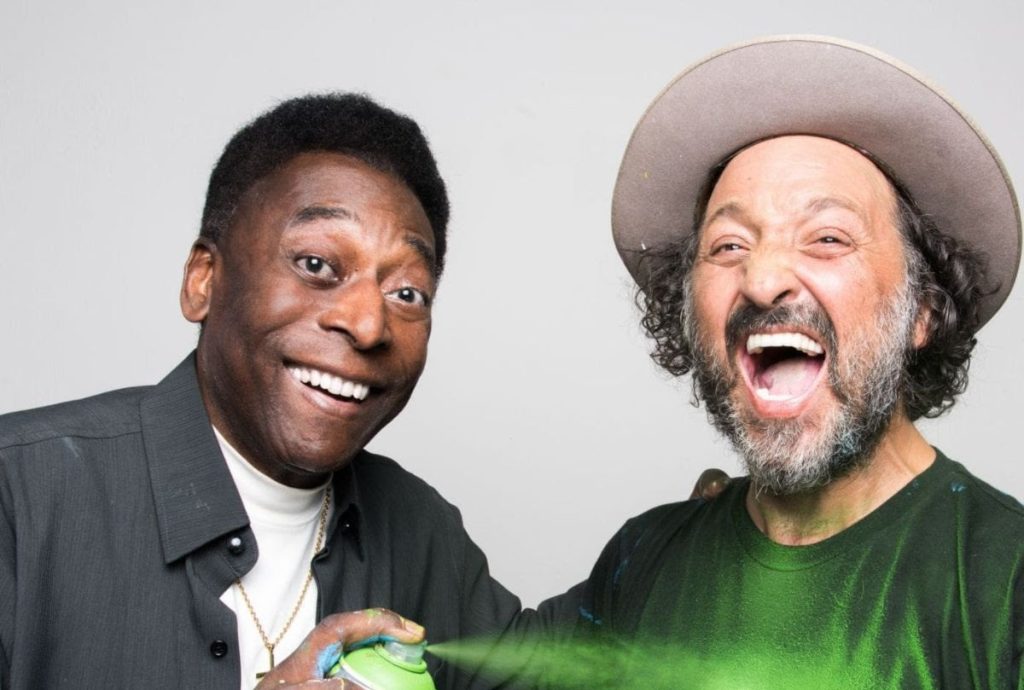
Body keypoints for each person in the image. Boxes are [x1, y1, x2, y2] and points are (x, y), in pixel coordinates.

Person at [0, 93, 571, 689]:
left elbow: (557, 665)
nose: (368, 324)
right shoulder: (19, 498)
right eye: (317, 265)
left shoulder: (418, 528)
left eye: (407, 293)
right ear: (203, 280)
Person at [567, 36, 1024, 688]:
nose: (762, 281)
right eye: (729, 245)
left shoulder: (1006, 581)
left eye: (827, 238)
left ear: (923, 309)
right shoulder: (640, 560)